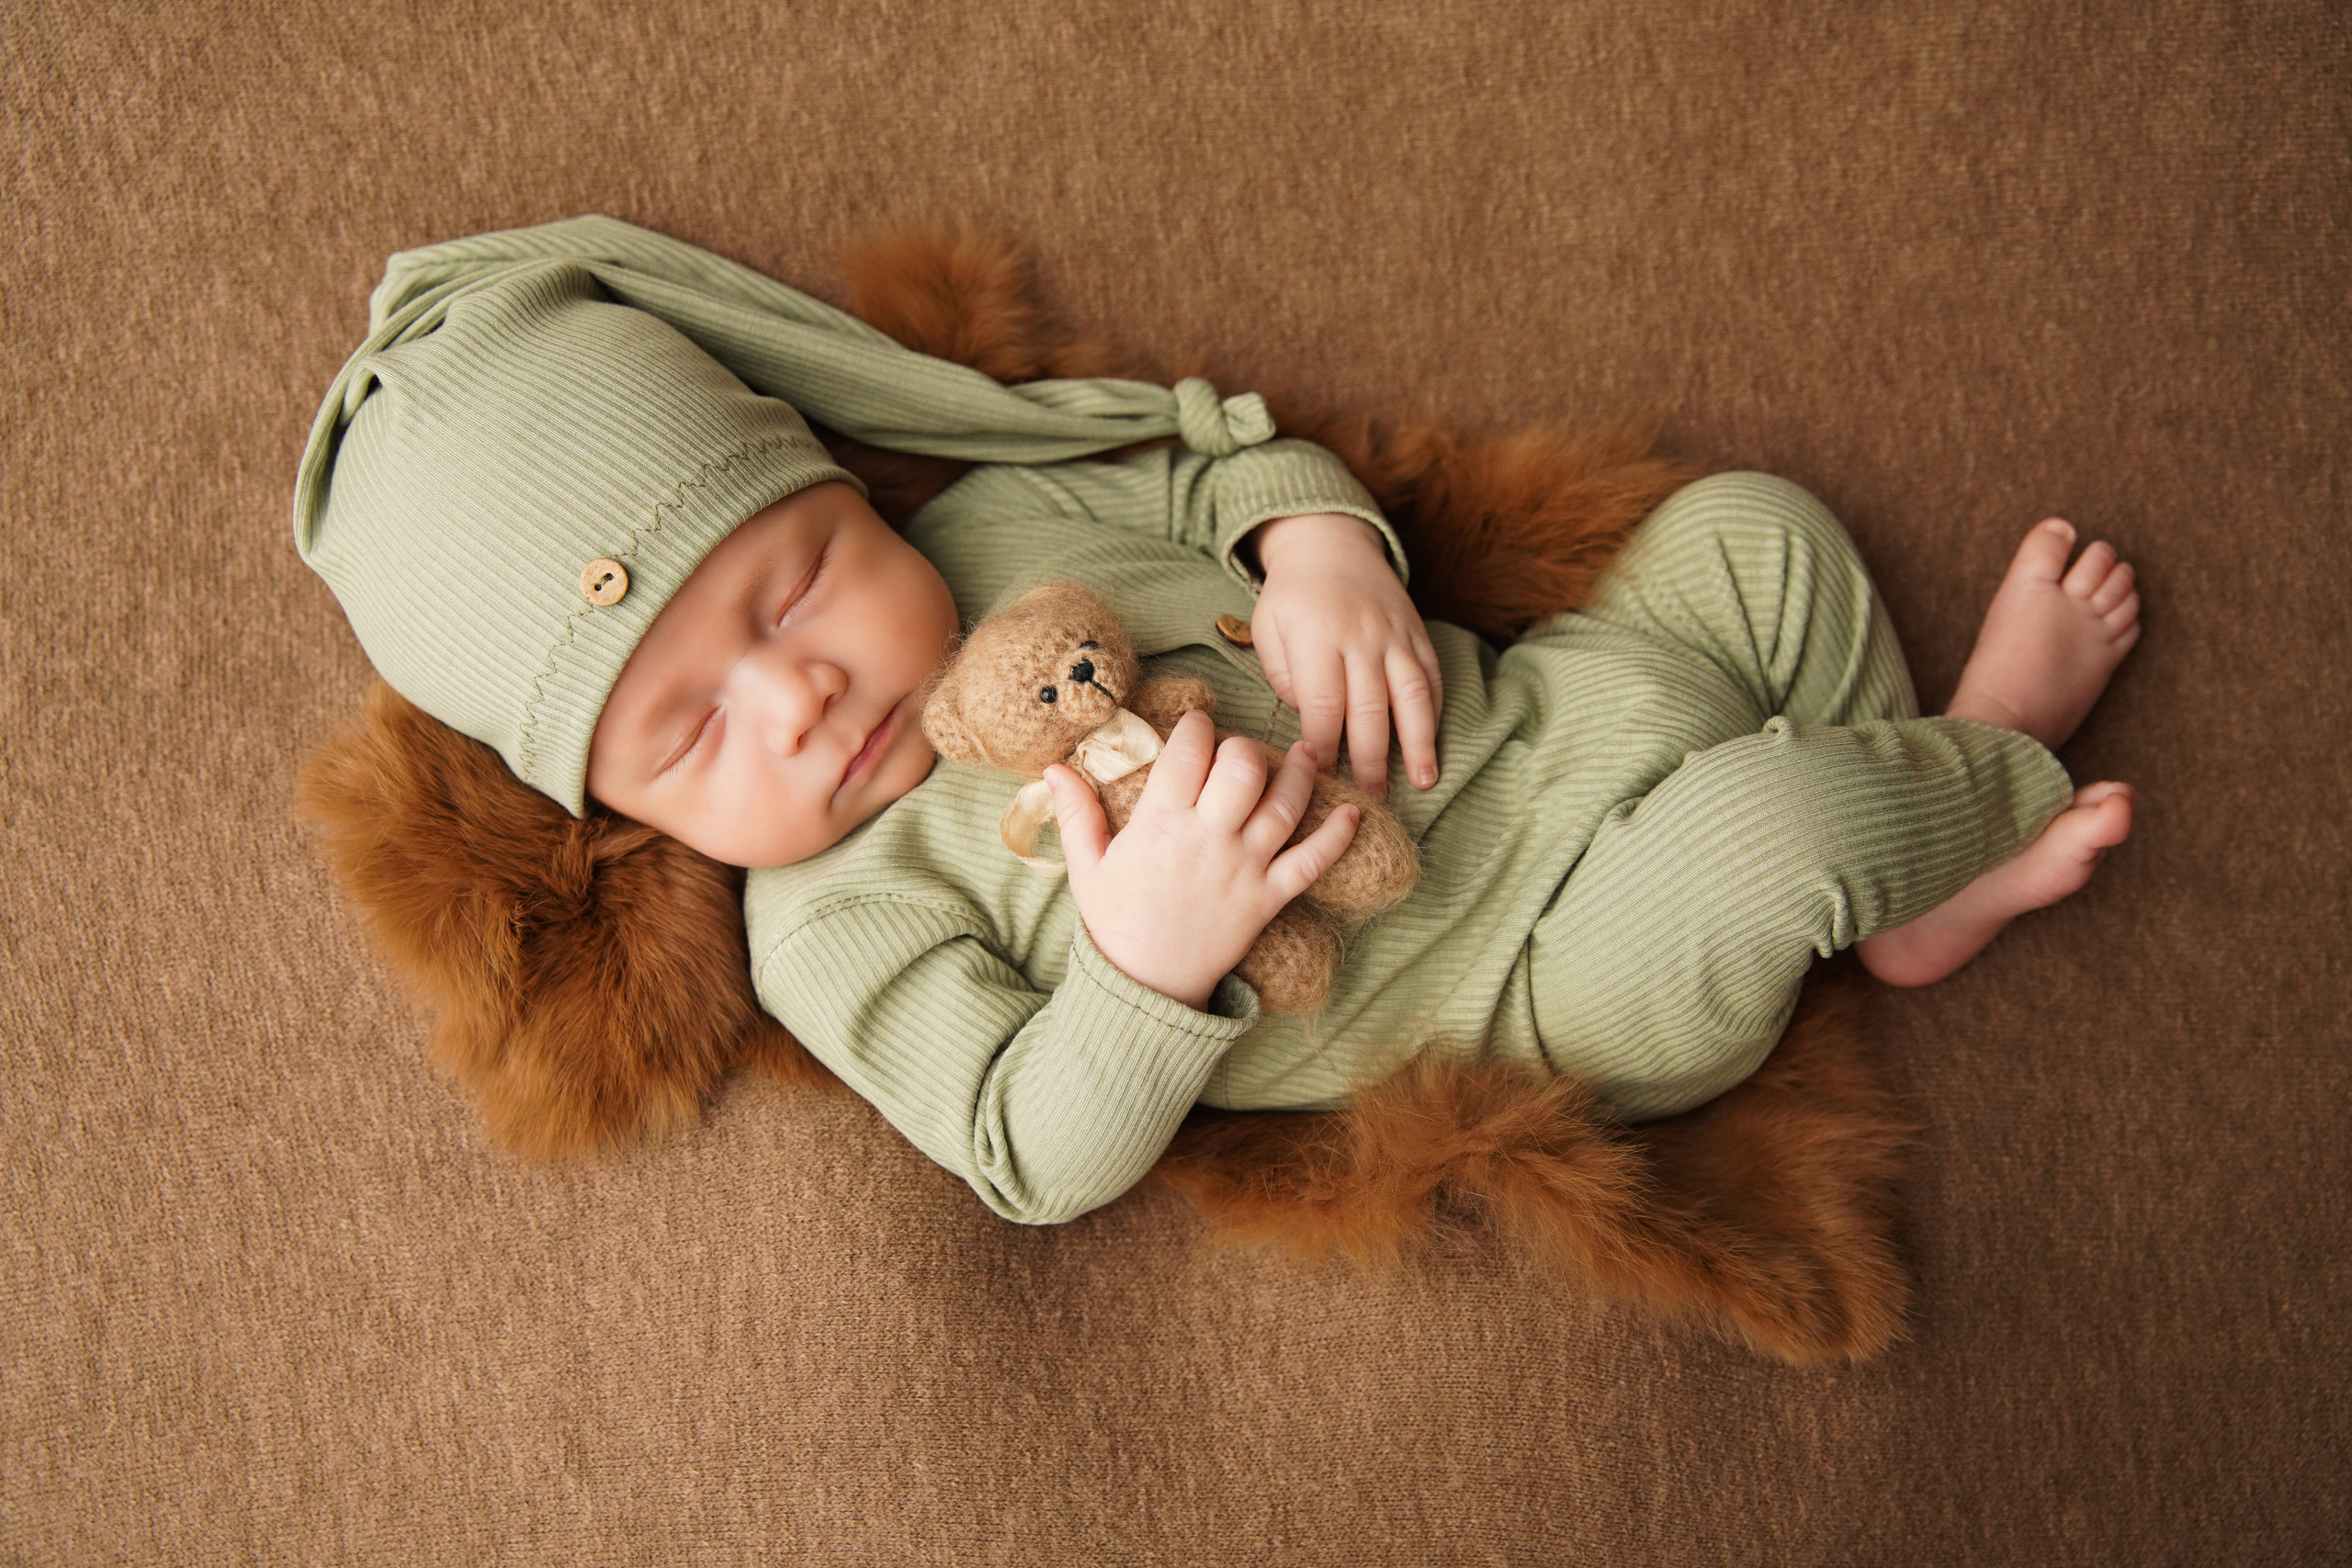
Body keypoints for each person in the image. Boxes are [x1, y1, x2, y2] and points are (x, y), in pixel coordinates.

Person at [298, 217, 2138, 1225]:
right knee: (1771, 838)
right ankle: (1961, 806)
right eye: (688, 732)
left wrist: (1317, 540)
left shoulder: (996, 524)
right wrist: (1136, 961)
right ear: (612, 811)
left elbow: (1207, 459)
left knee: (1753, 534)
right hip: (1537, 971)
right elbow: (1023, 1149)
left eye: (789, 589)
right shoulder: (830, 924)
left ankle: (1904, 843)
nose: (800, 696)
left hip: (1557, 705)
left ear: (842, 492)